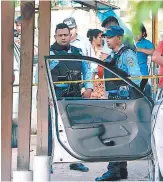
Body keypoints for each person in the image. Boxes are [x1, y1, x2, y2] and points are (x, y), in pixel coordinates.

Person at [95, 25, 142, 181]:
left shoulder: (127, 54)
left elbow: (136, 77)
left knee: (114, 134)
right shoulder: (114, 55)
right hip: (114, 99)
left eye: (110, 37)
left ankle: (113, 170)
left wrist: (124, 92)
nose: (107, 40)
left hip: (122, 101)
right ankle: (121, 170)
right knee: (119, 133)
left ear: (119, 38)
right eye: (106, 37)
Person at [45, 23, 93, 173]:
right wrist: (46, 95)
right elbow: (41, 75)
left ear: (70, 35)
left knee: (75, 129)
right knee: (50, 130)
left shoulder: (77, 52)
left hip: (75, 95)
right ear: (55, 36)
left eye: (66, 34)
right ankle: (48, 163)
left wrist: (89, 87)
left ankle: (75, 160)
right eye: (60, 35)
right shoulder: (50, 53)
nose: (63, 37)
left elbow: (87, 69)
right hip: (56, 95)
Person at [135, 24, 154, 96]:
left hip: (142, 73)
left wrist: (140, 49)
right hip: (132, 73)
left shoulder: (146, 43)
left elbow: (153, 52)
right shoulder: (130, 41)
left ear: (143, 33)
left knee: (139, 93)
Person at [87, 29, 105, 99]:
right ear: (94, 38)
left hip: (100, 82)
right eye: (100, 37)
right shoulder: (87, 48)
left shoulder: (104, 50)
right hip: (88, 82)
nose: (102, 39)